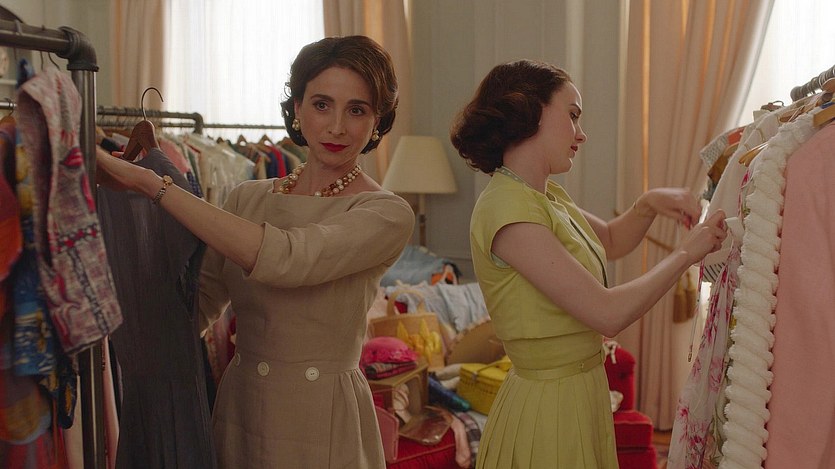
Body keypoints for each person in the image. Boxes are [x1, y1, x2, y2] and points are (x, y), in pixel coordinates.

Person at [95, 35, 415, 468]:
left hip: (321, 419)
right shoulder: (247, 197)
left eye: (356, 110)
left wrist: (155, 185)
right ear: (298, 108)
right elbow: (195, 308)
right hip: (242, 409)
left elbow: (288, 258)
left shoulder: (385, 213)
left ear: (377, 121)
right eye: (322, 104)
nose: (337, 126)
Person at [449, 59, 727, 468]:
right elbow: (606, 313)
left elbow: (611, 240)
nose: (581, 133)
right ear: (530, 111)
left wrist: (648, 204)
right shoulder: (507, 208)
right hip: (548, 404)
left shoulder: (545, 196)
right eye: (573, 115)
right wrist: (686, 253)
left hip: (579, 390)